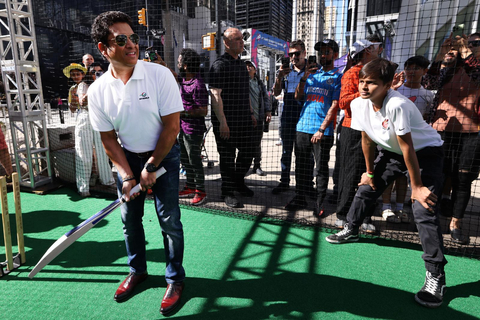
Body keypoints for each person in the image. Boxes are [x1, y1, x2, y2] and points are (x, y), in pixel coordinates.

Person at [326, 58, 447, 308]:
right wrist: (369, 172)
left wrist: (417, 187)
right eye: (361, 81)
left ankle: (436, 274)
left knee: (423, 209)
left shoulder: (398, 104)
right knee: (365, 188)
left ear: (388, 84)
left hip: (425, 152)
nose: (363, 87)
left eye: (371, 83)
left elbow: (408, 147)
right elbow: (367, 140)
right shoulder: (359, 104)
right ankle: (351, 229)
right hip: (392, 151)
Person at [88, 11, 185, 315]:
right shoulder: (98, 91)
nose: (131, 44)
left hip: (164, 153)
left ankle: (174, 278)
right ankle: (137, 271)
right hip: (127, 157)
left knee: (169, 220)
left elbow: (172, 129)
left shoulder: (159, 75)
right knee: (130, 221)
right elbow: (108, 140)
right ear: (104, 49)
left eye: (133, 37)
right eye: (121, 39)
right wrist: (128, 175)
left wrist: (153, 166)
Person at [424, 34, 480, 245]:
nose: (470, 46)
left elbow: (477, 74)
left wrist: (465, 51)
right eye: (469, 43)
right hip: (442, 129)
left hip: (472, 131)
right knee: (438, 174)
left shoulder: (475, 66)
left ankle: (456, 223)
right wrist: (441, 55)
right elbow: (428, 83)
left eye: (476, 43)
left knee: (463, 179)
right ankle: (431, 219)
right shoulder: (450, 67)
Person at [285, 39, 342, 215]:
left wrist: (321, 129)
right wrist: (304, 78)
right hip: (302, 127)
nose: (323, 55)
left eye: (327, 51)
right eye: (321, 52)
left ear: (335, 55)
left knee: (321, 169)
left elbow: (334, 105)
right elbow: (297, 97)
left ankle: (319, 202)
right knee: (301, 166)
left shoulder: (337, 77)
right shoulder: (311, 75)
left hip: (321, 131)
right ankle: (300, 197)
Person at [335, 39, 383, 233]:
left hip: (374, 130)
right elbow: (343, 102)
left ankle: (365, 215)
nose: (378, 49)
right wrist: (365, 91)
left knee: (371, 173)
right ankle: (343, 215)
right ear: (366, 51)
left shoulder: (377, 73)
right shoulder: (352, 73)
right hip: (353, 129)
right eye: (373, 47)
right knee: (350, 173)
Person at [381, 55, 434, 224]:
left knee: (406, 176)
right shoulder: (396, 90)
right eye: (409, 67)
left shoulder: (428, 95)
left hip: (414, 143)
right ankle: (385, 207)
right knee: (389, 175)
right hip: (393, 140)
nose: (412, 71)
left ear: (424, 71)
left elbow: (426, 117)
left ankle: (400, 207)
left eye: (416, 68)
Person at [209, 27, 255, 208]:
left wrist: (251, 113)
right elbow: (215, 95)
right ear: (226, 43)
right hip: (226, 122)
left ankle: (238, 182)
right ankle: (227, 192)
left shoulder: (242, 64)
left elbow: (246, 93)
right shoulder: (219, 65)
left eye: (241, 39)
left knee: (249, 152)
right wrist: (222, 123)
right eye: (236, 39)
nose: (241, 42)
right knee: (227, 157)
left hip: (244, 119)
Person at [63, 63, 114, 197]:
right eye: (94, 71)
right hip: (85, 118)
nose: (97, 74)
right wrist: (94, 86)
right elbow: (82, 102)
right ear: (89, 74)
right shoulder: (83, 85)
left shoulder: (106, 84)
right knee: (83, 152)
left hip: (100, 118)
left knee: (103, 151)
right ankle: (83, 187)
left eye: (99, 71)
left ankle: (107, 181)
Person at [272, 40, 314, 195]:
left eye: (297, 53)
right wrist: (279, 77)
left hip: (306, 116)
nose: (293, 57)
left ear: (304, 53)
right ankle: (284, 182)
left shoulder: (312, 69)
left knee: (305, 153)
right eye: (291, 54)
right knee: (286, 152)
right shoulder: (286, 72)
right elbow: (276, 93)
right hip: (288, 116)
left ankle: (307, 185)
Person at [177, 48, 208, 205]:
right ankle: (190, 185)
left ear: (186, 65)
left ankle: (200, 191)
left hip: (193, 130)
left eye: (180, 60)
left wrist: (182, 113)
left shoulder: (198, 84)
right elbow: (171, 74)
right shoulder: (184, 79)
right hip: (182, 128)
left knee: (194, 159)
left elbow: (203, 110)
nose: (177, 62)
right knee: (184, 158)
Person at [245, 60, 271, 176]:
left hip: (258, 118)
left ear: (255, 70)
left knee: (257, 143)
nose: (248, 67)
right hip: (245, 119)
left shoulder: (259, 83)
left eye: (250, 66)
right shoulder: (242, 82)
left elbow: (266, 98)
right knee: (245, 144)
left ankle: (257, 165)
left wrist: (268, 111)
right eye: (246, 66)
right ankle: (244, 167)